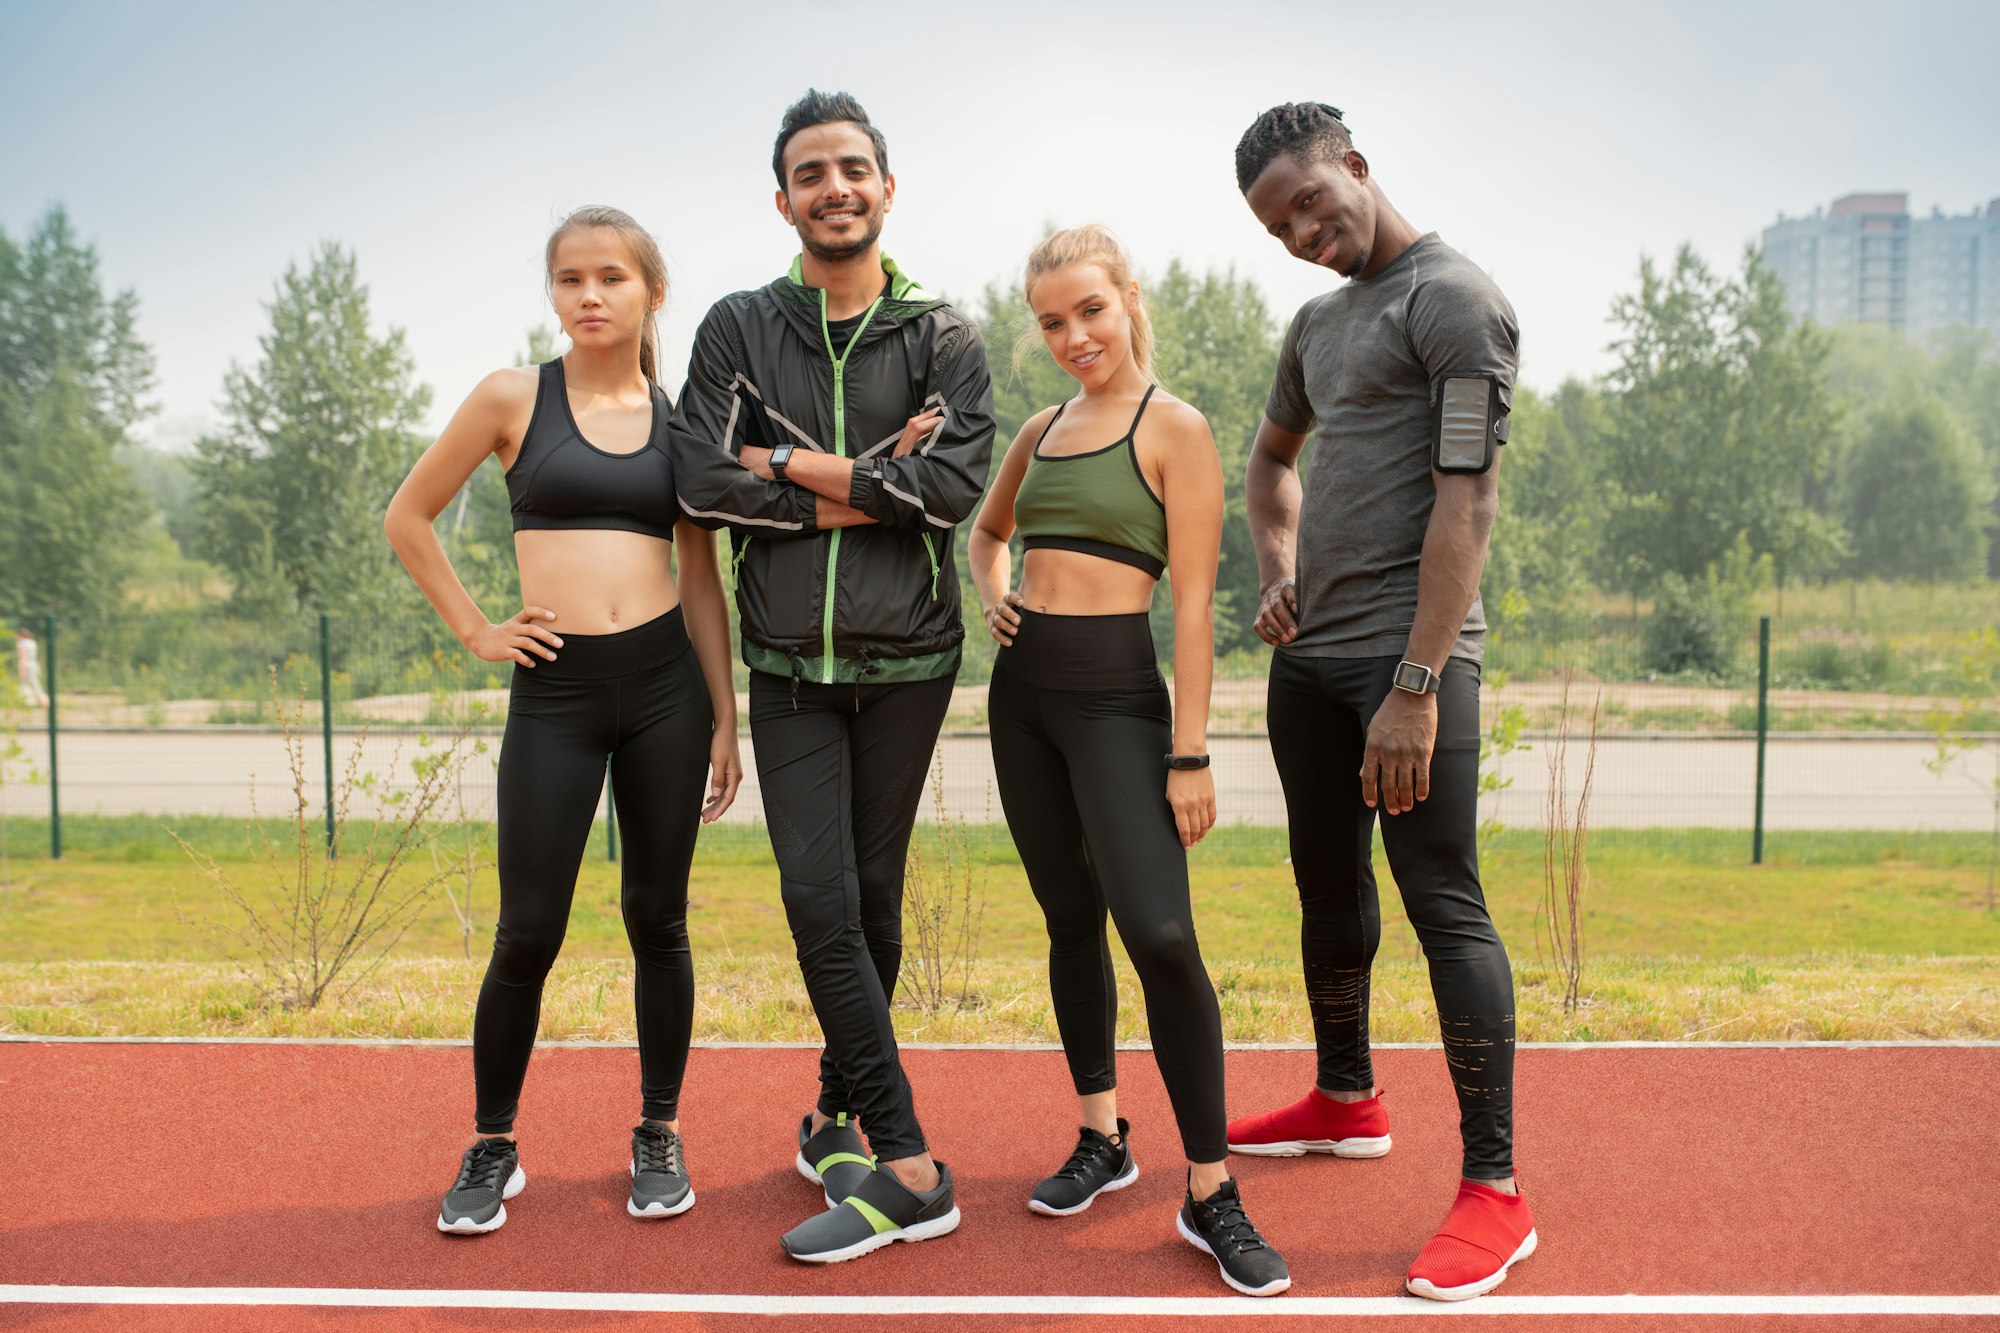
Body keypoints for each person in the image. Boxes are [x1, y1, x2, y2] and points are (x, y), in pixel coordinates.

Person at [667, 90, 995, 1263]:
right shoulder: (736, 327)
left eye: (853, 168)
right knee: (817, 903)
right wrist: (865, 478)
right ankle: (908, 1160)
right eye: (811, 174)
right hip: (788, 665)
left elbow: (951, 493)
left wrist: (791, 463)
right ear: (783, 200)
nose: (835, 188)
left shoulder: (945, 335)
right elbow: (699, 484)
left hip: (909, 660)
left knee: (869, 899)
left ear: (886, 188)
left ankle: (840, 1119)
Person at [384, 206, 743, 1235]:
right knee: (526, 930)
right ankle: (493, 1143)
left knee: (657, 919)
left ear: (650, 293)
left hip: (666, 690)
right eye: (570, 279)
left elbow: (699, 577)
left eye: (610, 278)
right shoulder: (511, 397)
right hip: (556, 691)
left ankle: (657, 1131)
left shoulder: (681, 420)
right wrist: (474, 630)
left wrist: (725, 717)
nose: (588, 295)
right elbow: (407, 516)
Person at [1228, 102, 1535, 1302]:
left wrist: (1412, 687)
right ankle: (1346, 1094)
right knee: (1323, 881)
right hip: (1308, 669)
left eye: (1310, 200)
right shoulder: (1312, 323)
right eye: (1275, 223)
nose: (1301, 230)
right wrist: (1275, 570)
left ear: (1356, 167)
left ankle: (1496, 1192)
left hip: (1407, 673)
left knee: (1442, 903)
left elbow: (1468, 506)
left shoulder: (1453, 301)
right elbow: (1268, 463)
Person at [968, 226, 1291, 1297]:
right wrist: (991, 586)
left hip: (1116, 701)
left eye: (1088, 311)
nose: (1072, 337)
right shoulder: (1041, 426)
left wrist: (1188, 751)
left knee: (1156, 931)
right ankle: (1101, 1134)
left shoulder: (1175, 428)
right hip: (1020, 701)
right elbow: (987, 532)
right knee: (1068, 918)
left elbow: (1195, 604)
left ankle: (1210, 1192)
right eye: (1052, 322)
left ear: (1127, 299)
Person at [14, 627, 47, 709]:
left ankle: (34, 701)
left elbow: (23, 657)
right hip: (34, 664)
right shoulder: (33, 642)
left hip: (27, 665)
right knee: (34, 682)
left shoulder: (21, 643)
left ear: (20, 635)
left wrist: (21, 669)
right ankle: (39, 700)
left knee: (27, 684)